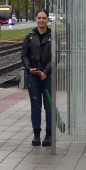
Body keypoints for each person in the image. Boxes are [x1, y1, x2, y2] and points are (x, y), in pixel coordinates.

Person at [21, 9, 54, 146]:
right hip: (33, 76)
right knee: (35, 106)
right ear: (36, 19)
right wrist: (30, 69)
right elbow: (24, 55)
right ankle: (36, 135)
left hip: (48, 76)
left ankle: (49, 135)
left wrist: (46, 71)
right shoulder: (29, 37)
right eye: (39, 18)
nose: (41, 20)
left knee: (49, 106)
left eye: (44, 18)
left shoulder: (53, 36)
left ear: (48, 20)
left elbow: (55, 57)